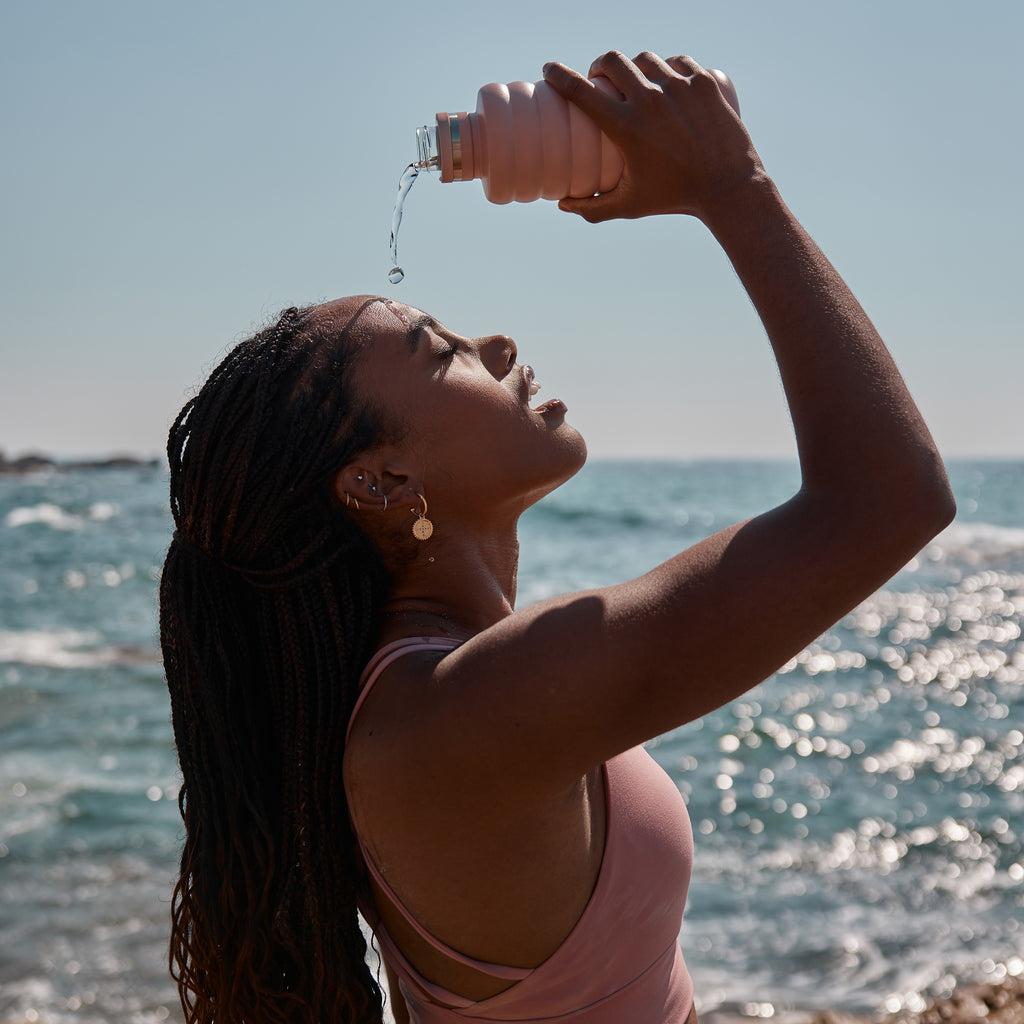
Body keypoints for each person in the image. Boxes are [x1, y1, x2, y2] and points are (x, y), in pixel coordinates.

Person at [159, 51, 955, 1024]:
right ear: (379, 482)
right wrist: (734, 189)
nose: (494, 345)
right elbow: (888, 499)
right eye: (441, 350)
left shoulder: (432, 695)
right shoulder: (464, 711)